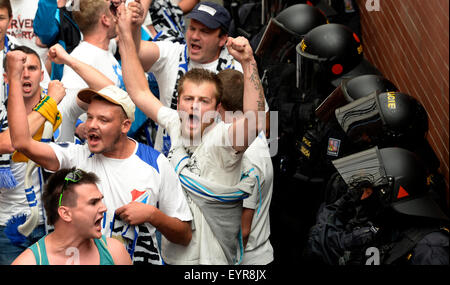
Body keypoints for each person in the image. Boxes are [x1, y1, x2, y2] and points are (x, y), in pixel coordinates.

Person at [6, 47, 193, 265]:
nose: (92, 126)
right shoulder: (74, 156)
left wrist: (153, 215)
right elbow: (21, 142)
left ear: (125, 126)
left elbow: (184, 236)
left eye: (103, 120)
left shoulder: (155, 163)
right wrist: (15, 80)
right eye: (90, 117)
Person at [116, 3, 266, 264]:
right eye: (188, 99)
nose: (194, 107)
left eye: (203, 101)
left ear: (218, 108)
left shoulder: (223, 138)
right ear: (177, 103)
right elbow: (138, 91)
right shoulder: (175, 122)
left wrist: (249, 62)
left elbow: (254, 121)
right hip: (173, 257)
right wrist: (125, 33)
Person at [305, 146, 449, 265]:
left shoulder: (431, 251)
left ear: (387, 195)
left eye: (368, 190)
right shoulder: (386, 222)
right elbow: (317, 246)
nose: (361, 196)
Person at [135, 1, 243, 154]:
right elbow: (135, 53)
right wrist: (133, 26)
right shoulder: (172, 53)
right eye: (192, 28)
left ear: (222, 39)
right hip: (168, 164)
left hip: (213, 168)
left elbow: (260, 122)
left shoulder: (237, 70)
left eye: (204, 31)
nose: (195, 36)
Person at [0, 45, 65, 265]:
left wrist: (68, 60)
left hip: (54, 224)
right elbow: (10, 142)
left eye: (32, 68)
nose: (26, 73)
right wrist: (51, 103)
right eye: (19, 69)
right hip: (8, 228)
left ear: (42, 74)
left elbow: (107, 90)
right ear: (6, 77)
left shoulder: (58, 109)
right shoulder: (52, 104)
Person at [11, 167, 132, 265]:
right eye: (93, 202)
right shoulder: (28, 262)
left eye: (101, 200)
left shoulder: (115, 252)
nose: (104, 208)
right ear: (66, 213)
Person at [217, 69, 274, 265]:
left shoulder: (245, 155)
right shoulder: (254, 138)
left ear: (218, 106)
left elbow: (243, 230)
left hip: (243, 261)